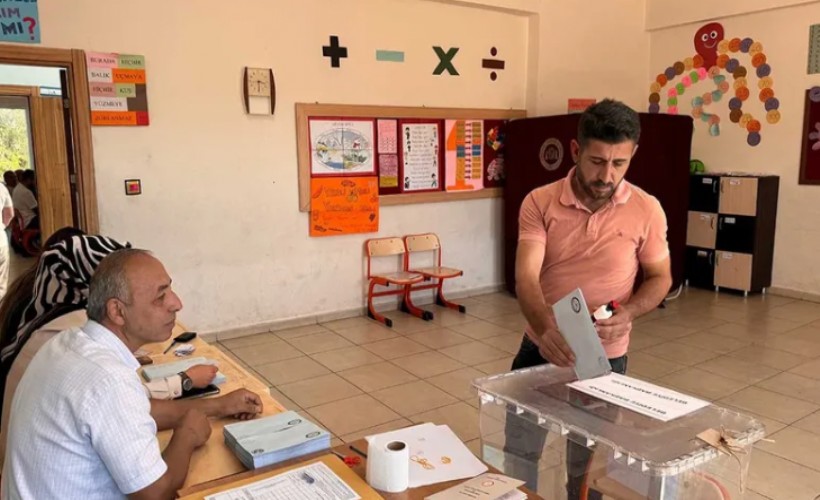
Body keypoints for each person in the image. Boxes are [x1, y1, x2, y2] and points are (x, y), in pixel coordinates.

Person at [504, 99, 672, 498]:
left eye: (619, 163)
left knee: (587, 468)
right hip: (541, 346)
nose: (607, 175)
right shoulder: (540, 202)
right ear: (576, 150)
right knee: (520, 453)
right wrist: (545, 329)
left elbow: (660, 277)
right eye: (597, 161)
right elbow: (526, 276)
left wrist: (630, 312)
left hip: (605, 357)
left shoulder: (647, 209)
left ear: (633, 155)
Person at [3, 249, 263, 499]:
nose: (176, 303)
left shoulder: (66, 343)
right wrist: (186, 437)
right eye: (160, 297)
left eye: (170, 289)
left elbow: (137, 409)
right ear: (117, 311)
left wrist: (219, 405)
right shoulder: (109, 379)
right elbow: (154, 494)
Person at [0, 231, 221, 468]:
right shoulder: (73, 332)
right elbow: (152, 483)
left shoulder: (48, 318)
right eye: (159, 296)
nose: (176, 304)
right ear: (114, 306)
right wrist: (191, 412)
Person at [0, 184, 12, 301]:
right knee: (1, 284)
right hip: (0, 240)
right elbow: (9, 214)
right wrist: (2, 226)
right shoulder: (1, 188)